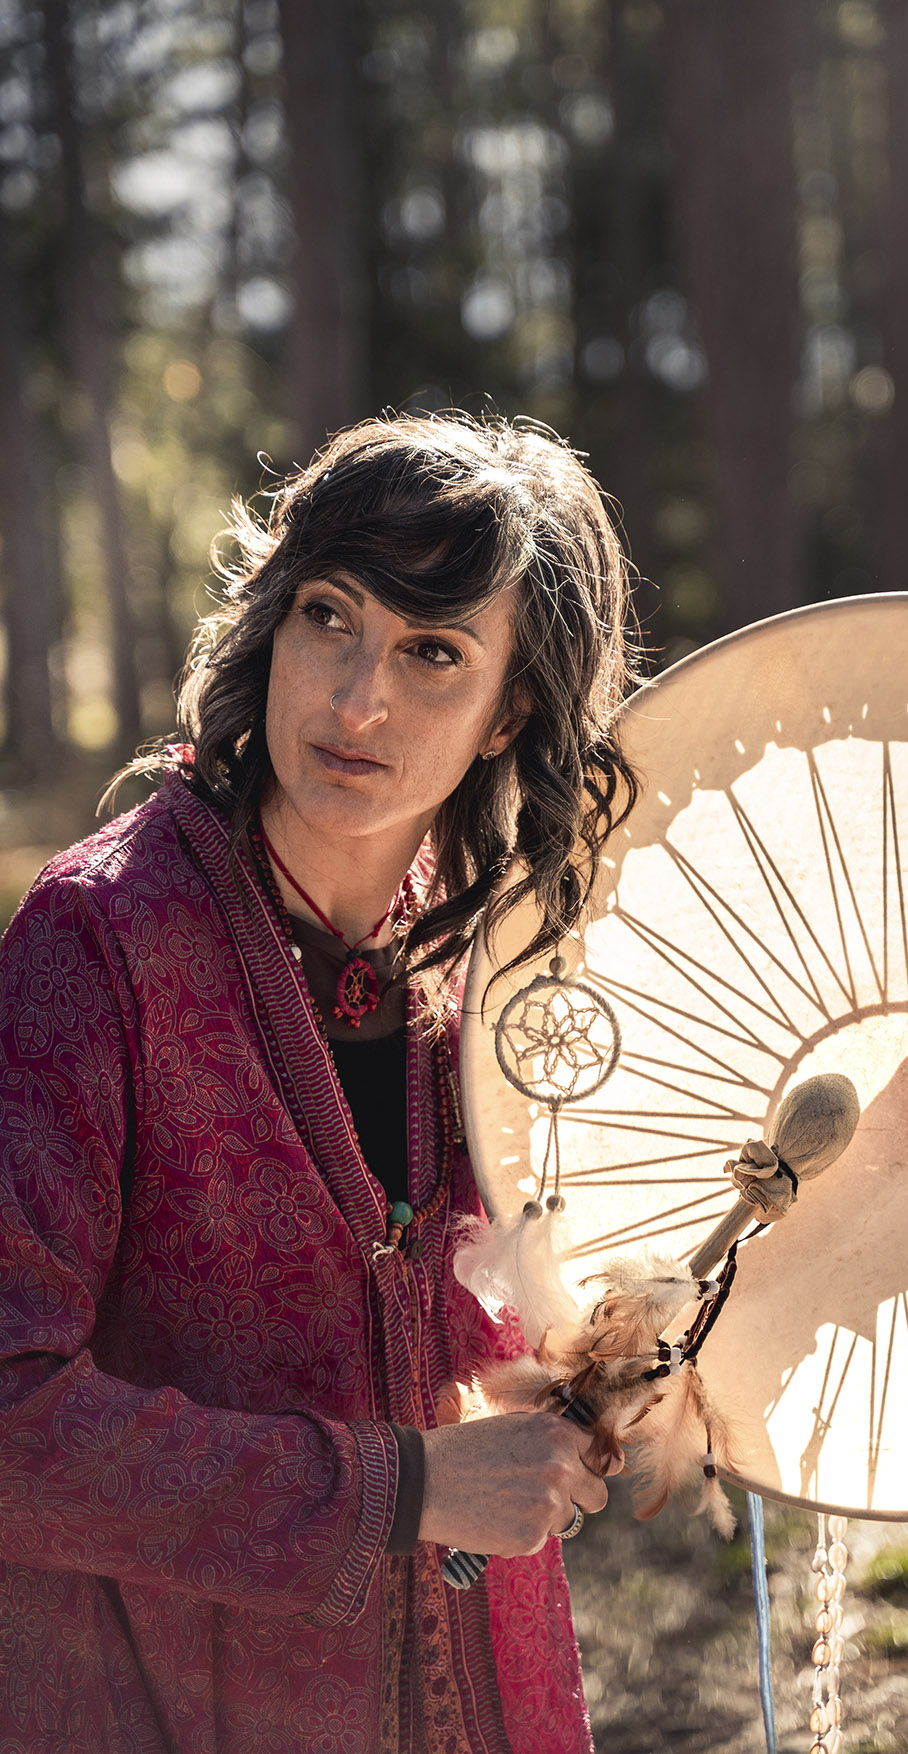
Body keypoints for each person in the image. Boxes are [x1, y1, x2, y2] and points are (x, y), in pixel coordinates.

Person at [0, 413, 642, 1754]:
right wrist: (401, 1488)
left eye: (433, 652)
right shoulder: (97, 941)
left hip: (487, 1691)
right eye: (329, 617)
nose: (356, 701)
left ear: (509, 713)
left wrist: (604, 1370)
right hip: (162, 1701)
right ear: (273, 623)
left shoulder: (508, 973)